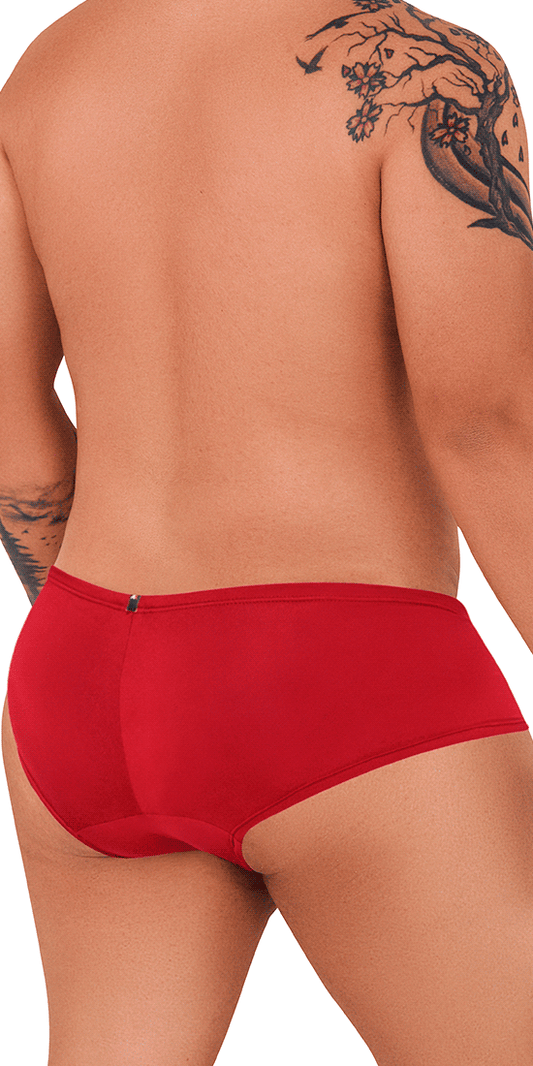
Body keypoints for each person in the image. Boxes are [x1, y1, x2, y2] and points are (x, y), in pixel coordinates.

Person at [1, 0, 533, 1062]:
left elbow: (18, 446)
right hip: (343, 673)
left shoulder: (48, 71)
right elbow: (484, 424)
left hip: (81, 675)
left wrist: (150, 672)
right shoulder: (428, 71)